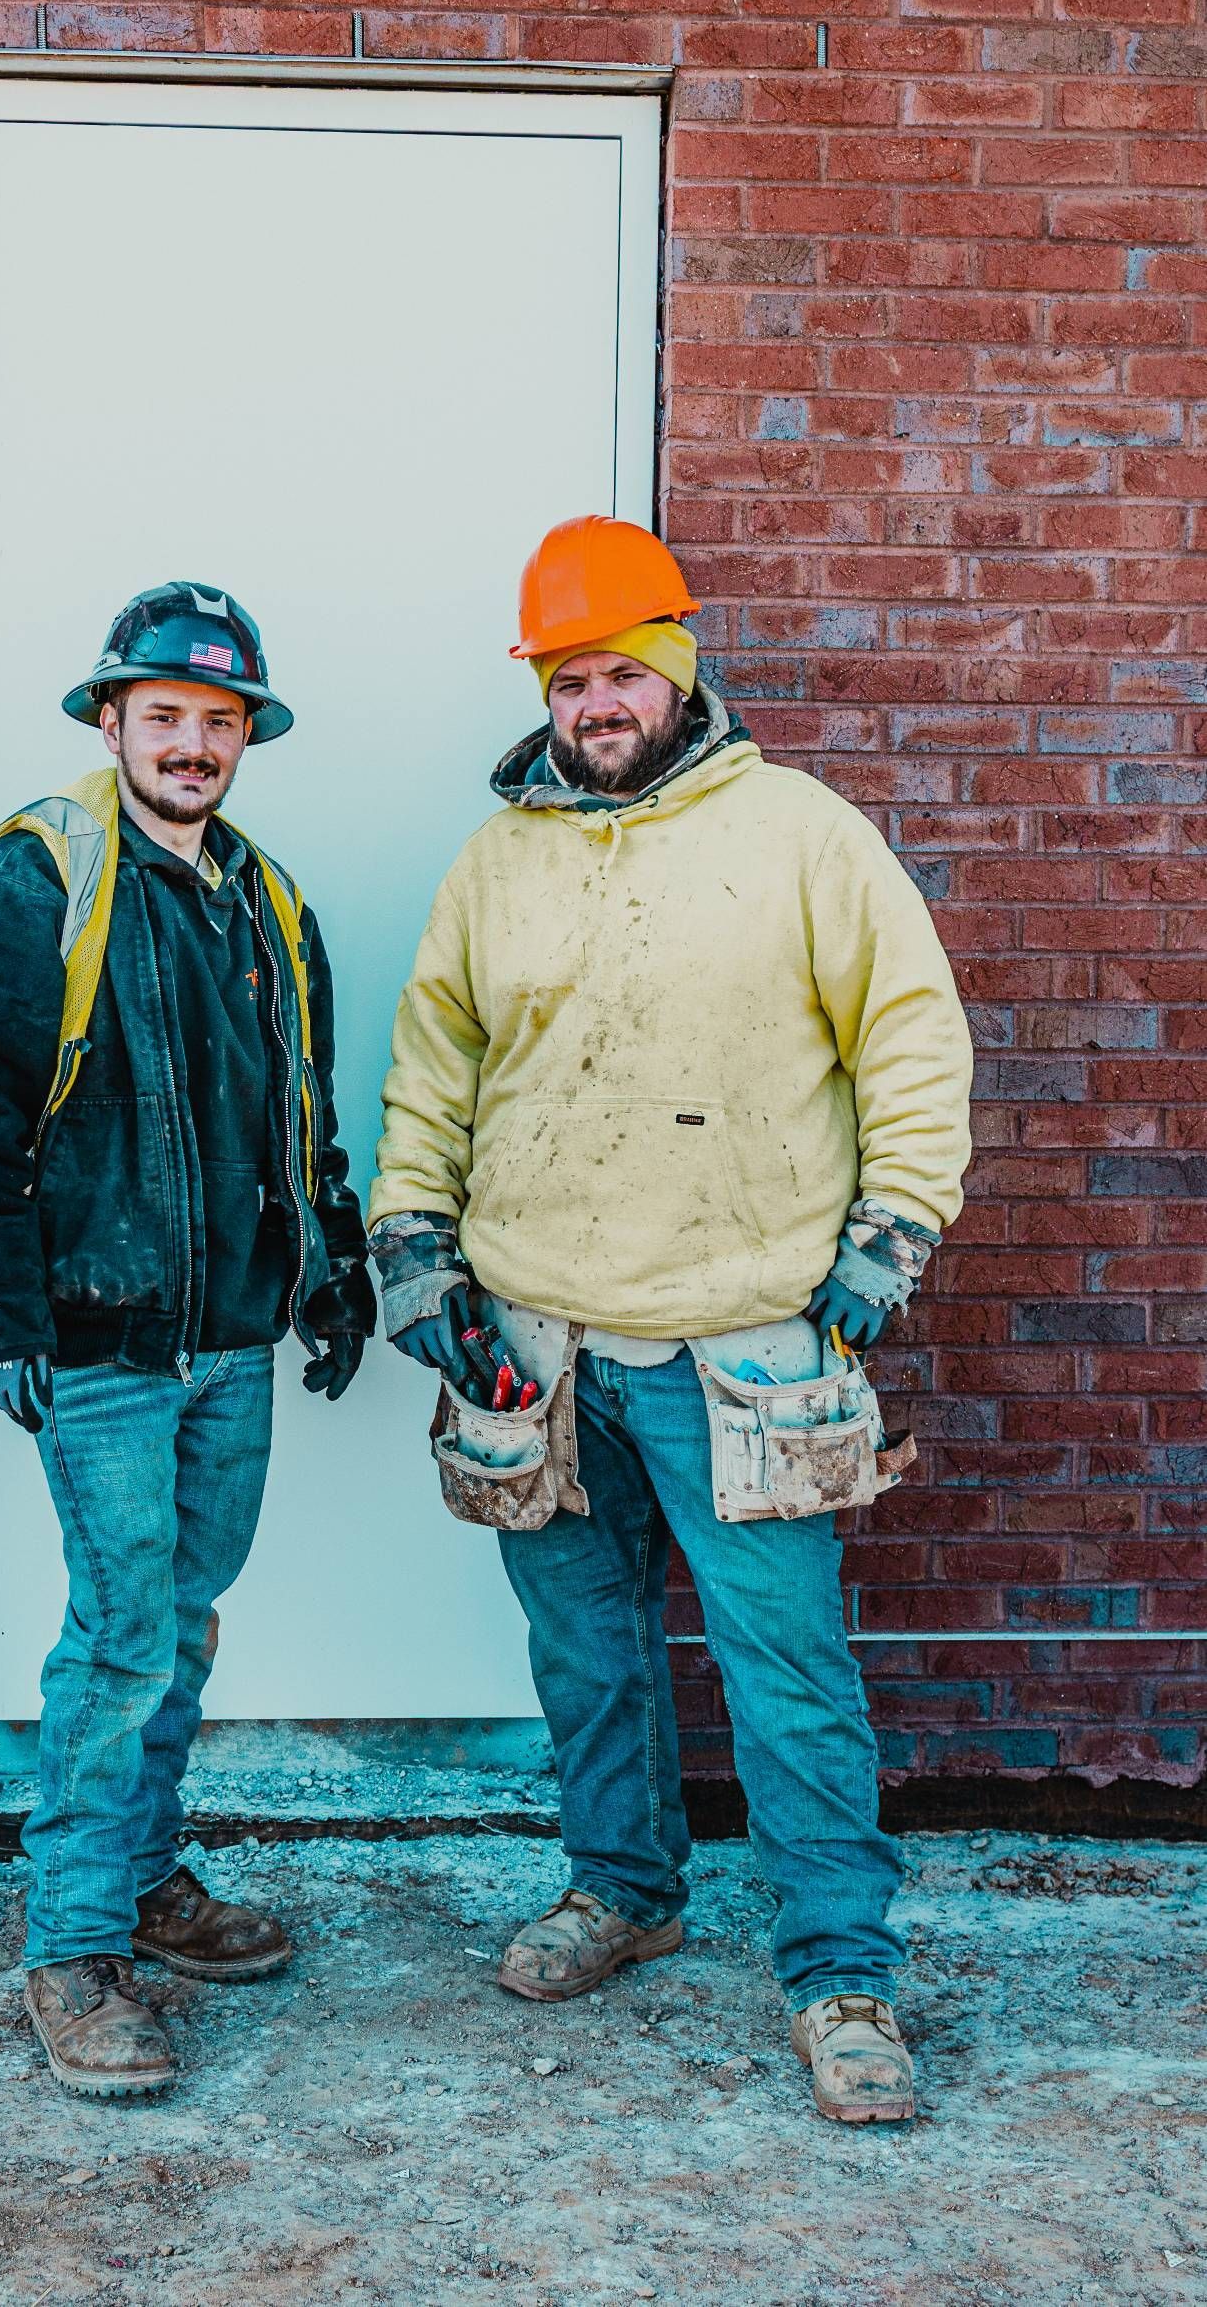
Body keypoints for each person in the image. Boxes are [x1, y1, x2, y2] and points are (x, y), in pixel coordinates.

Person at [367, 516, 972, 2125]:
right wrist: (415, 1247)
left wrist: (888, 1233)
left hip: (746, 1344)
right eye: (569, 678)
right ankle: (624, 1888)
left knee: (784, 1672)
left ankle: (840, 1970)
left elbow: (911, 1037)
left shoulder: (797, 835)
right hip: (535, 1344)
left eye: (621, 668)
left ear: (678, 668)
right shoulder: (496, 862)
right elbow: (434, 1064)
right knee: (586, 1653)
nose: (595, 701)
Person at [0, 580, 373, 2097]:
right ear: (110, 720)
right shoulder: (34, 880)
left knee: (180, 1618)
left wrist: (330, 1269)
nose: (191, 743)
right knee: (118, 1639)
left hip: (229, 1341)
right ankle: (76, 1949)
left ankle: (150, 1876)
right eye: (163, 714)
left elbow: (295, 1119)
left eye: (217, 721)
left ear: (246, 737)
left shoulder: (267, 900)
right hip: (99, 1344)